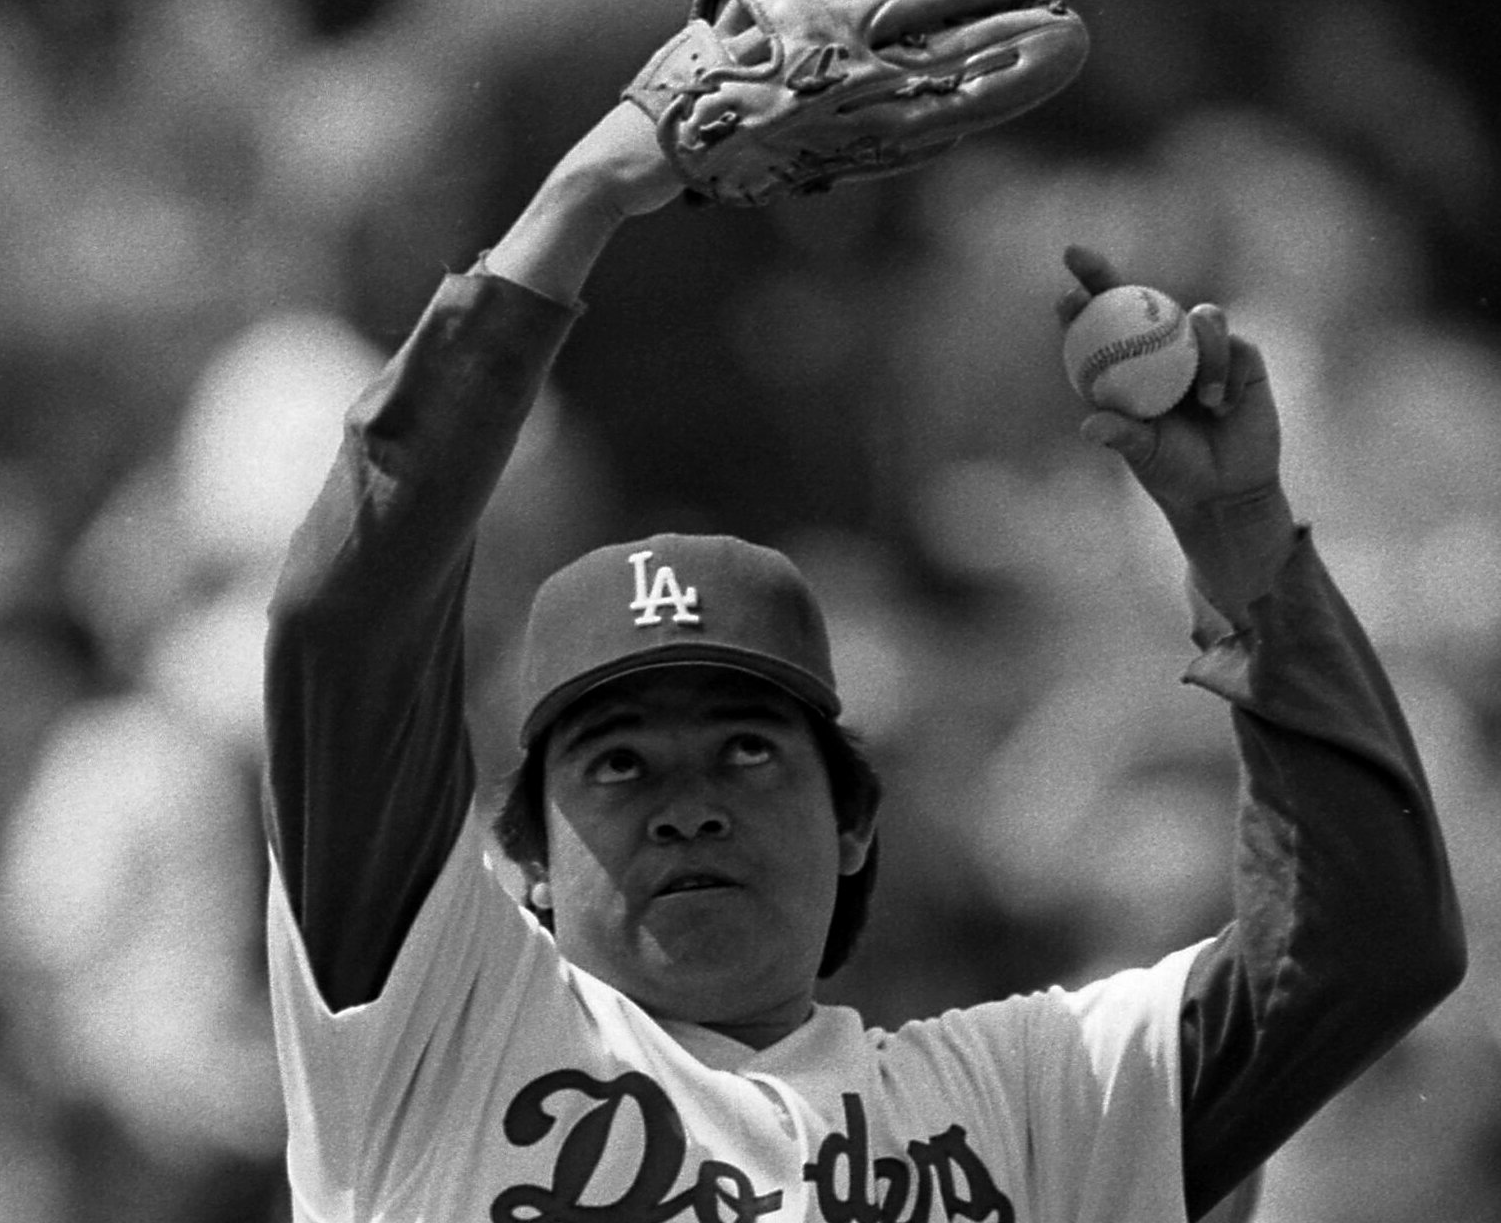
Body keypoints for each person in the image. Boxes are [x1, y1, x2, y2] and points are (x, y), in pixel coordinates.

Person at [259, 100, 1466, 1223]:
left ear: (850, 821)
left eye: (746, 751)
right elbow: (345, 629)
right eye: (619, 763)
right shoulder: (439, 1033)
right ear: (524, 852)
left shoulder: (1032, 1100)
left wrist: (1240, 535)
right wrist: (584, 196)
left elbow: (1366, 942)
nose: (689, 807)